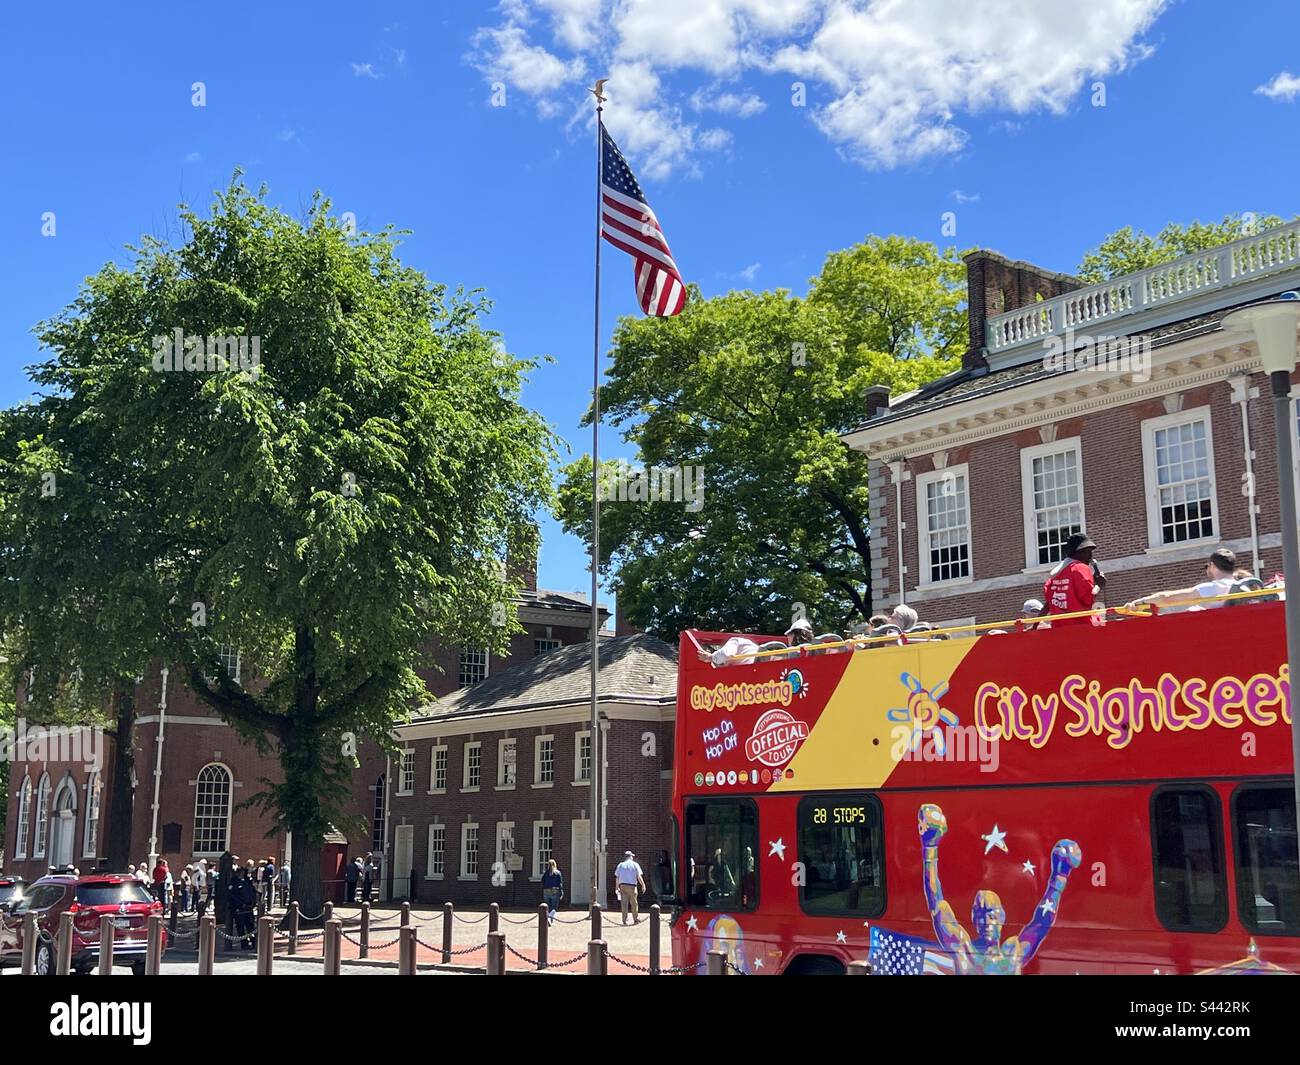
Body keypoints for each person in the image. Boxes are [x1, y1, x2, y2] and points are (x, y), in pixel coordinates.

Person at [1125, 547, 1243, 612]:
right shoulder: (1243, 585)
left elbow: (1167, 598)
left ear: (1212, 565)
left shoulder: (1213, 587)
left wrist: (1138, 603)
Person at [1042, 533, 1099, 624]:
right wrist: (1099, 586)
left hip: (1059, 630)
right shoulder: (1080, 568)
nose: (1091, 555)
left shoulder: (1054, 575)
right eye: (1087, 551)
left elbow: (1049, 603)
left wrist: (1035, 625)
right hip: (1083, 627)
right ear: (1078, 552)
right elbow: (1088, 599)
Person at [614, 850, 646, 925]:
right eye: (632, 856)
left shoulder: (621, 865)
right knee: (634, 903)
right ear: (630, 857)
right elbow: (638, 876)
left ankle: (624, 920)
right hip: (632, 886)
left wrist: (616, 887)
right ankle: (635, 919)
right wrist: (643, 885)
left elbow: (617, 877)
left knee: (624, 903)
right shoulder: (635, 864)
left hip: (623, 886)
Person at [231, 868, 257, 950]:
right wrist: (240, 905)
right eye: (240, 872)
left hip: (249, 908)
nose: (242, 873)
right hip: (240, 909)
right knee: (241, 927)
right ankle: (244, 944)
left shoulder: (248, 882)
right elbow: (232, 896)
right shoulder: (234, 883)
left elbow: (253, 893)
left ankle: (254, 942)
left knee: (250, 926)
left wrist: (253, 903)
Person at [541, 859, 564, 925]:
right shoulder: (558, 873)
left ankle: (549, 920)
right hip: (555, 890)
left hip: (546, 890)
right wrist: (561, 892)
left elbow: (542, 881)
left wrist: (545, 886)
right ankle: (549, 918)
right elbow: (560, 883)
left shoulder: (546, 873)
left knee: (547, 906)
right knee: (554, 907)